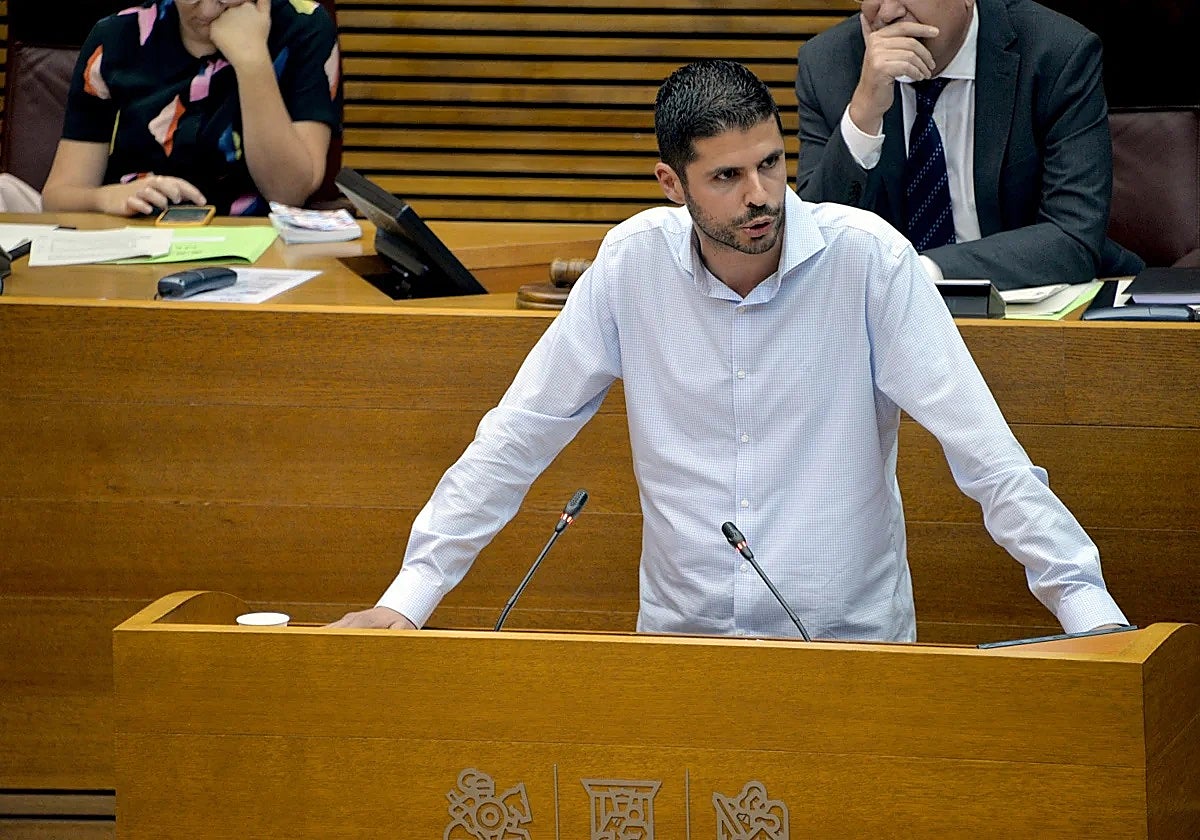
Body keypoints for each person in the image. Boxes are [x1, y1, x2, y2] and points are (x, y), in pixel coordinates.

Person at [331, 59, 1126, 641]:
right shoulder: (632, 264)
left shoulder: (870, 264)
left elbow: (987, 456)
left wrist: (1090, 615)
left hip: (844, 650)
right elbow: (516, 436)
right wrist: (410, 596)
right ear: (671, 184)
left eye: (772, 164)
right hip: (681, 649)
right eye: (726, 177)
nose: (760, 196)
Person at [794, 0, 1143, 291]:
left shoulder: (1055, 53)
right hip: (885, 336)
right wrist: (862, 117)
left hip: (1035, 318)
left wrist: (923, 272)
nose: (887, 12)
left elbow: (1074, 235)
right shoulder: (828, 65)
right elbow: (814, 249)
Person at [42, 0, 341, 217]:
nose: (209, 10)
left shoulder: (304, 26)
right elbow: (57, 197)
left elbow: (289, 193)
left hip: (260, 251)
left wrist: (252, 62)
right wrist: (106, 199)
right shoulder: (114, 38)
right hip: (134, 243)